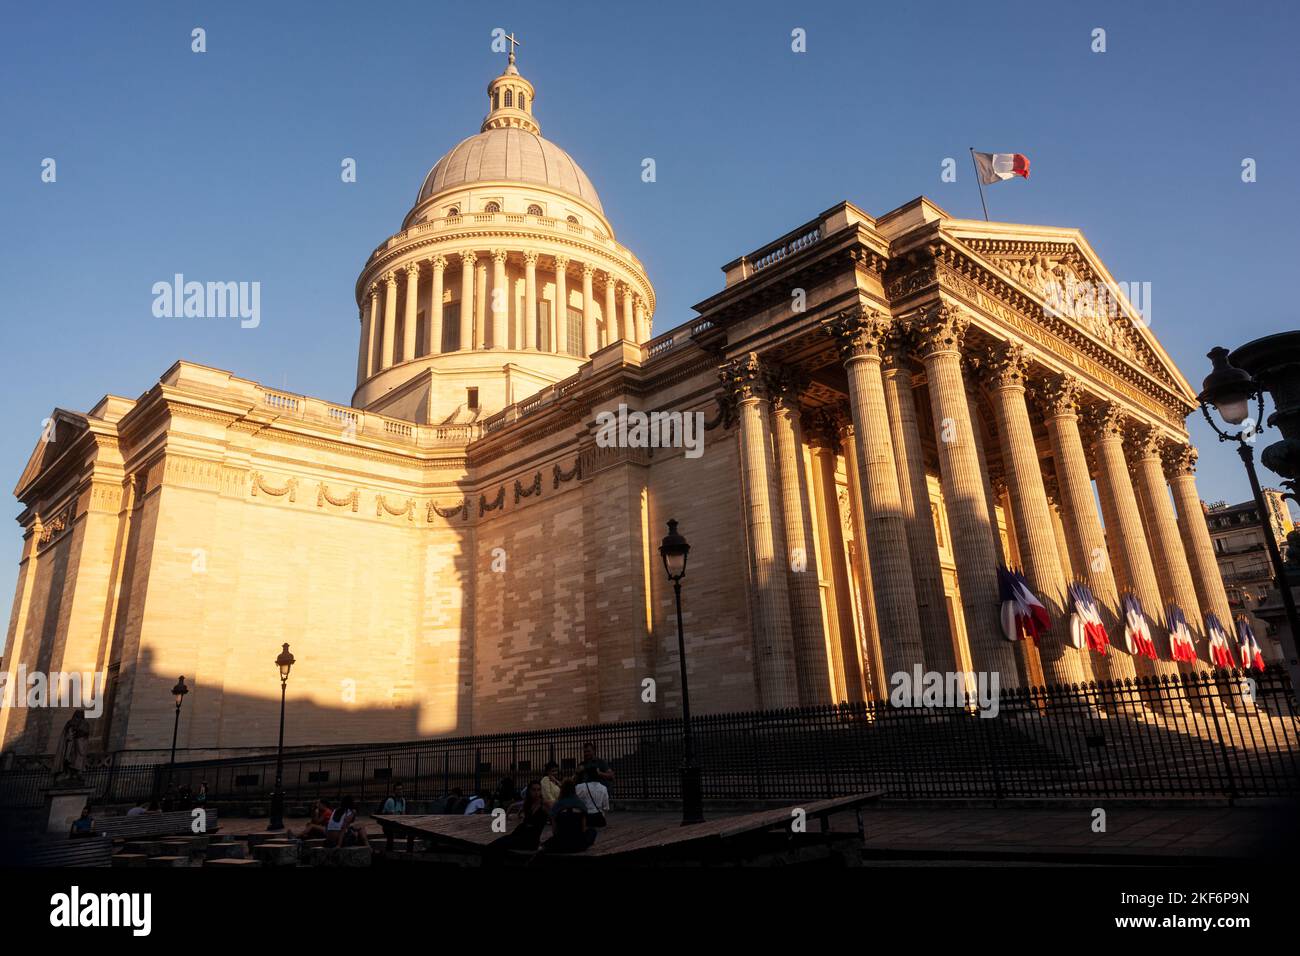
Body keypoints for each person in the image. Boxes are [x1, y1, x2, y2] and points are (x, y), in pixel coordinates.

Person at [488, 780, 549, 855]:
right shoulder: (528, 803)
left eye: (538, 790)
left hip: (530, 839)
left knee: (497, 847)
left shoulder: (544, 804)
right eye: (534, 790)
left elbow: (555, 814)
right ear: (529, 791)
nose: (536, 793)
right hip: (520, 833)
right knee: (494, 845)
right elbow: (513, 806)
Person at [543, 779, 596, 853]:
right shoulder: (580, 804)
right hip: (578, 844)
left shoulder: (557, 805)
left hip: (561, 842)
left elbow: (554, 830)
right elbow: (583, 829)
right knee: (592, 831)